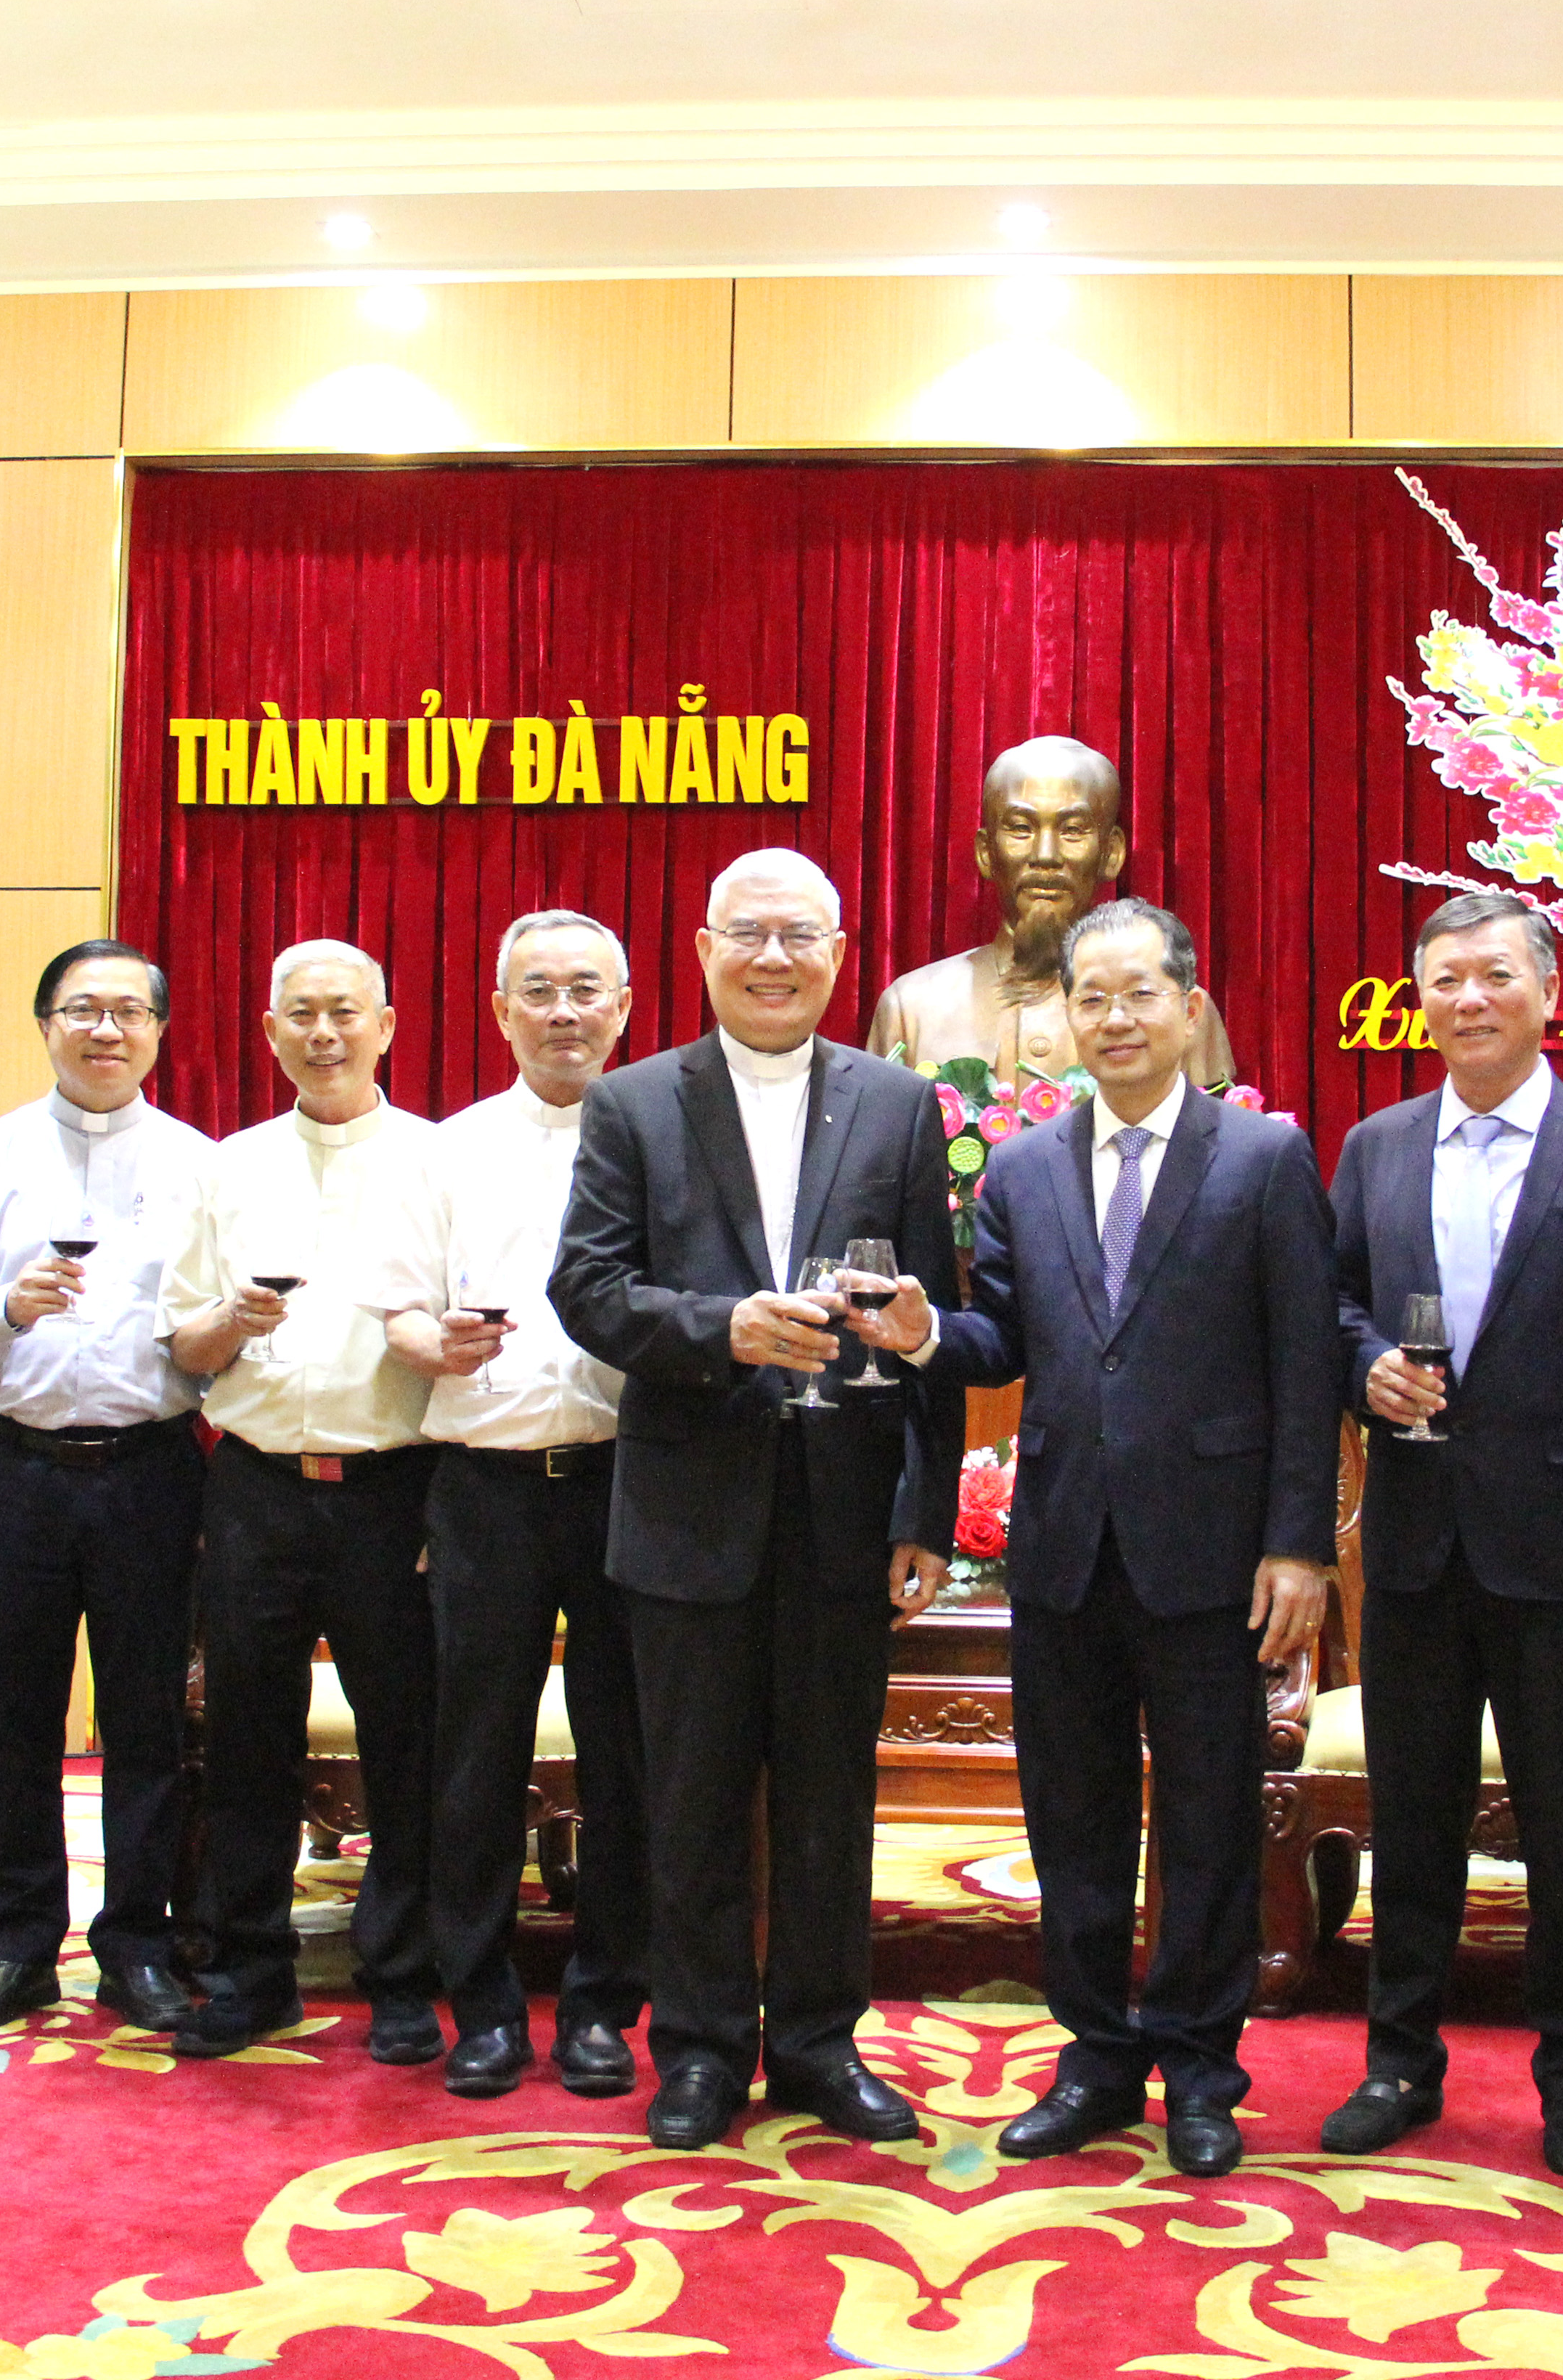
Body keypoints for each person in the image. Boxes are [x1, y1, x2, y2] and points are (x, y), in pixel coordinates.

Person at [550, 847, 964, 2151]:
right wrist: (723, 1325)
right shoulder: (632, 1103)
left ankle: (819, 2044)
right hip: (687, 1509)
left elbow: (925, 1324)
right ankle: (702, 2047)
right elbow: (589, 1288)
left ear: (839, 953)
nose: (772, 958)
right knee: (692, 1793)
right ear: (703, 946)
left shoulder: (898, 1105)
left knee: (835, 1795)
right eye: (748, 934)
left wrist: (926, 1510)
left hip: (845, 1508)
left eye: (799, 936)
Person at [934, 897, 1336, 2180]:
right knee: (1074, 1816)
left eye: (1135, 994)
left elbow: (1303, 1360)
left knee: (1212, 1817)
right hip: (1062, 1552)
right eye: (1087, 998)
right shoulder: (1024, 1165)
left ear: (1186, 1005)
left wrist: (1298, 1543)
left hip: (1217, 1553)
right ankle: (1097, 2057)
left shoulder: (1264, 1157)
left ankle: (1203, 2066)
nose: (1109, 1018)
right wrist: (922, 1334)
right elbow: (1001, 1336)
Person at [1317, 888, 1563, 2181]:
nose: (1466, 1000)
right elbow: (1340, 1306)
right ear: (1418, 1003)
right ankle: (1396, 2062)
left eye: (1491, 977)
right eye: (1442, 981)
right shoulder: (1375, 1144)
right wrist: (1364, 1367)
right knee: (1408, 1817)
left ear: (1545, 992)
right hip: (1415, 1542)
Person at [369, 910, 652, 2102]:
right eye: (537, 990)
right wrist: (430, 1341)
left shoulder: (664, 1138)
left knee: (625, 1751)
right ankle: (478, 1999)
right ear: (499, 1011)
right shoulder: (443, 1150)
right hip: (482, 1485)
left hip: (628, 1485)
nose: (563, 1011)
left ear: (627, 1003)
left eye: (586, 988)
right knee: (471, 1755)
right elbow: (394, 1309)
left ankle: (602, 2000)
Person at [0, 942, 216, 2037]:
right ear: (44, 1023)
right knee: (17, 1721)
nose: (105, 1030)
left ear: (158, 1031)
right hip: (16, 1472)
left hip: (151, 1470)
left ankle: (135, 1944)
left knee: (145, 1721)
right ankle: (19, 1945)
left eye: (128, 1012)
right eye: (81, 1009)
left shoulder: (197, 1163)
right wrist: (4, 1308)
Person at [159, 940, 443, 2061]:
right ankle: (249, 1967)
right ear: (269, 1031)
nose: (324, 1034)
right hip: (259, 1484)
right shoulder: (226, 1167)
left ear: (386, 1025)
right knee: (246, 1739)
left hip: (396, 1490)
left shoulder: (436, 1160)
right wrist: (231, 1320)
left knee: (407, 1740)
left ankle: (403, 1971)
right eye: (301, 1016)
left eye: (346, 1013)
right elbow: (182, 1344)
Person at [865, 736, 1238, 1089]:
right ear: (985, 852)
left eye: (1073, 830)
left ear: (1111, 853)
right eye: (1021, 828)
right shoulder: (911, 1008)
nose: (1045, 855)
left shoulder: (1178, 1012)